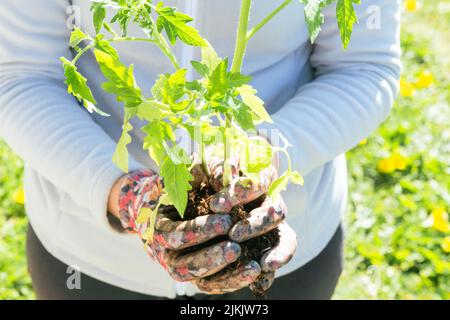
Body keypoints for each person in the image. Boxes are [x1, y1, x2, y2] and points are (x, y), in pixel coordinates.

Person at [0, 0, 401, 300]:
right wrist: (124, 194)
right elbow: (21, 75)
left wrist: (266, 157)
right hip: (90, 262)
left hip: (275, 256)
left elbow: (364, 64)